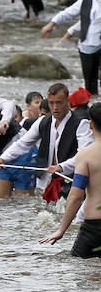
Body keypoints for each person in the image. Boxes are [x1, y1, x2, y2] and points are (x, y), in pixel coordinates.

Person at [0, 83, 92, 200]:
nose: (55, 107)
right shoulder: (43, 122)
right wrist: (2, 159)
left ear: (68, 102)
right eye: (51, 103)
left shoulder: (81, 124)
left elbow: (84, 156)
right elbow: (23, 144)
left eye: (59, 102)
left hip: (74, 181)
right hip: (48, 181)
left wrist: (61, 167)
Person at [40, 104, 101, 256]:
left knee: (82, 272)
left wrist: (61, 230)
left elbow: (76, 195)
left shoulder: (85, 155)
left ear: (91, 125)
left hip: (94, 227)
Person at [41, 0, 101, 94]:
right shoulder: (85, 1)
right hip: (86, 46)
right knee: (89, 83)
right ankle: (93, 107)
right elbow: (67, 13)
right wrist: (51, 24)